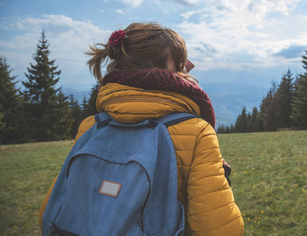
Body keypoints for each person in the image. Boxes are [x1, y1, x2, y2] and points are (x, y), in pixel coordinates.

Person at [38, 22, 244, 235]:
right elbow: (218, 229)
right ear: (161, 71)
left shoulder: (92, 126)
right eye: (181, 60)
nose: (190, 65)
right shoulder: (197, 132)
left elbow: (49, 211)